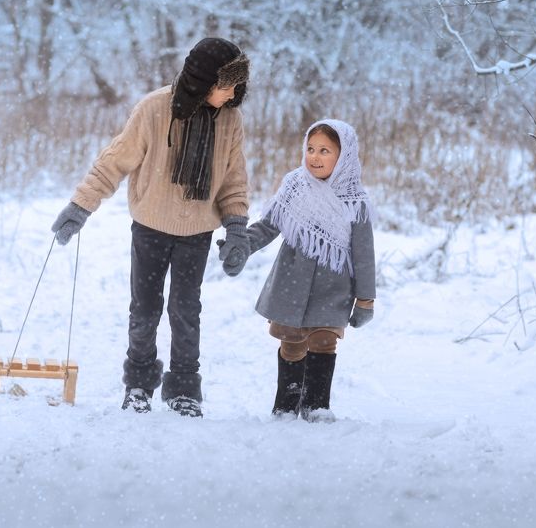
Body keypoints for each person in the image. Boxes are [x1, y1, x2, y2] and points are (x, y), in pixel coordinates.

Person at [50, 37, 252, 418]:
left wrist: (237, 228)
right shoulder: (155, 109)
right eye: (226, 85)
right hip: (150, 228)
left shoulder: (230, 120)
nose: (231, 94)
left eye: (236, 86)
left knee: (185, 310)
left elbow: (233, 179)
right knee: (144, 310)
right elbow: (114, 161)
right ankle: (139, 385)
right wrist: (81, 206)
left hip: (197, 232)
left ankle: (184, 389)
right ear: (203, 80)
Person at [240, 119, 376, 422]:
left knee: (324, 341)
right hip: (292, 280)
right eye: (311, 149)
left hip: (334, 285)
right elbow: (269, 225)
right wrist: (244, 244)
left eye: (325, 150)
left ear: (345, 157)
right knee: (291, 342)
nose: (314, 157)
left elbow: (364, 255)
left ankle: (316, 405)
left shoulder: (355, 202)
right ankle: (286, 406)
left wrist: (366, 299)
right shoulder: (295, 186)